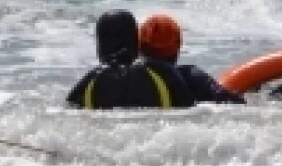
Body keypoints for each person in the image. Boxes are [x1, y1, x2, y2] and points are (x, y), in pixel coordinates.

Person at [66, 10, 195, 109]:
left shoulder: (92, 78)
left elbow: (68, 110)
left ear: (100, 46)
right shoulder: (165, 72)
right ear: (135, 41)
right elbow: (189, 109)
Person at [137, 14, 246, 105]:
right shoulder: (191, 77)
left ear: (140, 46)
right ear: (178, 45)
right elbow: (232, 102)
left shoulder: (126, 79)